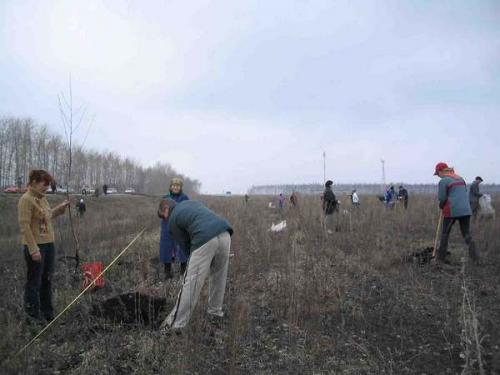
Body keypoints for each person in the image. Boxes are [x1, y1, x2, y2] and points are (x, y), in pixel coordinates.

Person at [158, 198, 233, 331]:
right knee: (219, 277)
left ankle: (176, 325)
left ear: (166, 209)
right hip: (225, 233)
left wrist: (193, 262)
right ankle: (215, 313)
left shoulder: (173, 219)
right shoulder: (191, 203)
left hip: (204, 238)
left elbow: (185, 246)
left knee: (191, 282)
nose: (165, 220)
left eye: (163, 217)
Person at [17, 170, 70, 322]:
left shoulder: (43, 199)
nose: (46, 187)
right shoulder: (26, 200)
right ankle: (33, 317)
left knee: (47, 279)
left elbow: (47, 216)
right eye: (44, 184)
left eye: (48, 185)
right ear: (33, 182)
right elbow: (24, 227)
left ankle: (48, 314)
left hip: (49, 245)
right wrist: (34, 249)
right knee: (34, 282)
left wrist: (60, 209)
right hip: (36, 247)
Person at [434, 162, 479, 265]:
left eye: (437, 174)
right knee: (466, 234)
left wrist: (441, 205)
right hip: (466, 210)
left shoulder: (444, 181)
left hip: (452, 210)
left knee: (445, 234)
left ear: (441, 171)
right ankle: (476, 258)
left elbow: (442, 198)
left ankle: (440, 259)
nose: (438, 176)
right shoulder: (460, 178)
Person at [159, 178, 189, 279]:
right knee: (166, 248)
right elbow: (159, 212)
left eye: (178, 185)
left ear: (180, 187)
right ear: (171, 186)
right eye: (174, 185)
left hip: (180, 227)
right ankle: (167, 272)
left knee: (182, 248)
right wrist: (163, 214)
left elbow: (188, 212)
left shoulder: (185, 198)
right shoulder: (165, 197)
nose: (175, 187)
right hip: (167, 227)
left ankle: (183, 272)